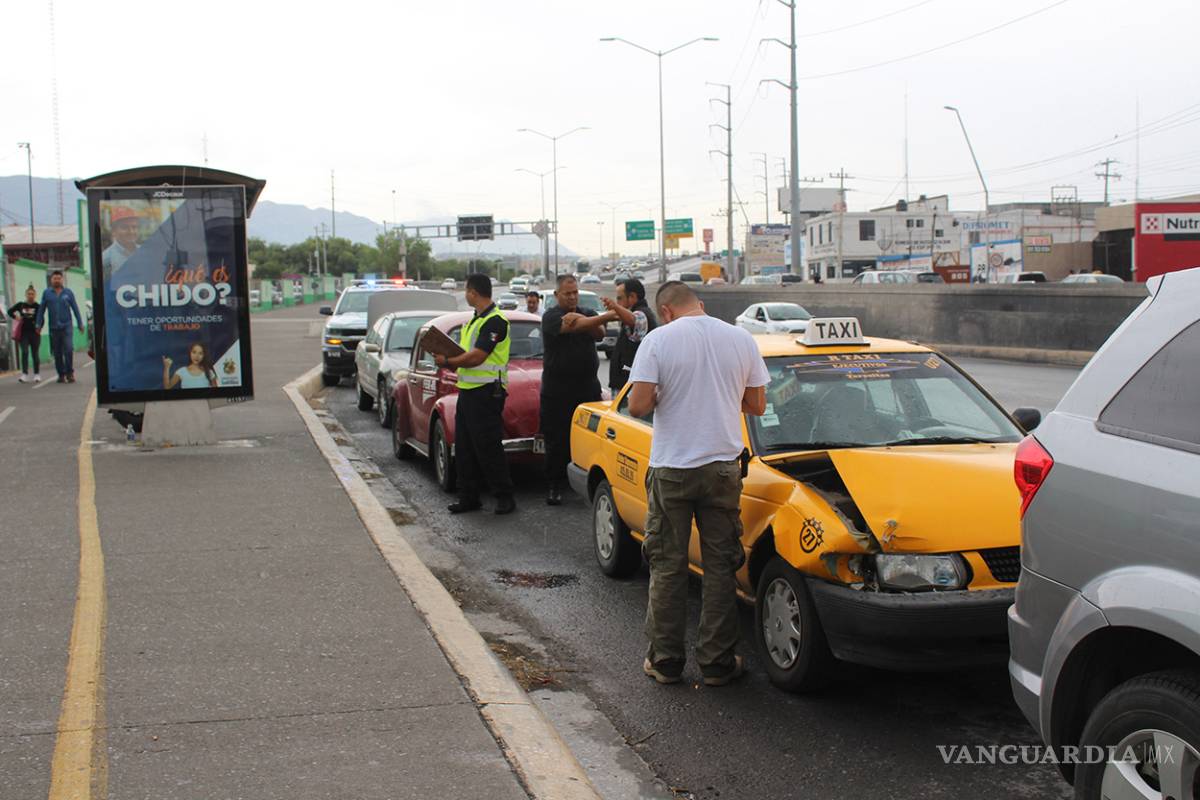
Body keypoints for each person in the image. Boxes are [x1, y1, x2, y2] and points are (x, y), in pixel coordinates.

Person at [627, 280, 769, 687]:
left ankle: (667, 661)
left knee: (668, 566)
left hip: (672, 468)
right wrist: (722, 394)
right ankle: (717, 664)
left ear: (666, 311)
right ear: (700, 304)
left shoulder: (657, 340)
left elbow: (638, 405)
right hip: (723, 468)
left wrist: (665, 393)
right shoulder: (740, 338)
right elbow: (757, 405)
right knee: (721, 565)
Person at [434, 273, 516, 516]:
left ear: (473, 293)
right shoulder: (474, 320)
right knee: (465, 447)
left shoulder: (495, 321)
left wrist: (448, 360)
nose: (466, 295)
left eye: (467, 291)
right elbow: (469, 354)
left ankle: (504, 496)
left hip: (487, 393)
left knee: (488, 447)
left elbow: (477, 356)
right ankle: (468, 497)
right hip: (469, 392)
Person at [540, 274, 617, 505]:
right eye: (567, 293)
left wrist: (583, 318)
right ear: (557, 295)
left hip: (587, 389)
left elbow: (599, 333)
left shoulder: (587, 313)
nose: (572, 297)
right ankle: (555, 486)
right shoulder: (550, 316)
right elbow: (578, 325)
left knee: (590, 439)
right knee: (557, 440)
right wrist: (602, 316)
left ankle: (585, 485)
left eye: (575, 292)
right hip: (558, 391)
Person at [601, 277, 656, 395]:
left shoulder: (642, 314)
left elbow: (634, 319)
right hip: (625, 384)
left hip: (629, 387)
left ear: (632, 297)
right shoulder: (631, 313)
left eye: (620, 298)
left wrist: (615, 307)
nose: (618, 302)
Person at [35, 269, 84, 384]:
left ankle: (70, 373)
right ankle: (61, 374)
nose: (57, 280)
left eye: (59, 278)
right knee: (57, 352)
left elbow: (75, 308)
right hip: (54, 327)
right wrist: (38, 324)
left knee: (68, 349)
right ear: (51, 280)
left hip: (67, 326)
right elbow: (41, 310)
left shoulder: (68, 293)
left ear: (62, 279)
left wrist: (80, 323)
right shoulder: (47, 293)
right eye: (54, 278)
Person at [7, 285, 42, 383]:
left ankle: (37, 374)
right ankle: (24, 374)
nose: (30, 295)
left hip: (35, 333)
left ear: (35, 295)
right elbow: (9, 311)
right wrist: (16, 317)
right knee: (25, 352)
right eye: (29, 294)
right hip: (23, 333)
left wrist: (39, 327)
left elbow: (41, 319)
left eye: (32, 294)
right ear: (26, 294)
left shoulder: (37, 306)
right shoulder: (21, 305)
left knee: (35, 353)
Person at [102, 206, 142, 278]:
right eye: (125, 227)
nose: (131, 231)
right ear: (114, 231)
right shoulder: (106, 258)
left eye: (134, 227)